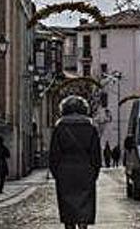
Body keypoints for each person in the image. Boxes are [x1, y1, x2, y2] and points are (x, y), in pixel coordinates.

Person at [49, 96, 102, 229]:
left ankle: (69, 226)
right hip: (85, 171)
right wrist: (94, 173)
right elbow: (96, 155)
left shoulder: (59, 128)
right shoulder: (91, 128)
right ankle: (83, 225)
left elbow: (54, 155)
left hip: (65, 172)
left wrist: (57, 173)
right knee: (85, 206)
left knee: (67, 209)